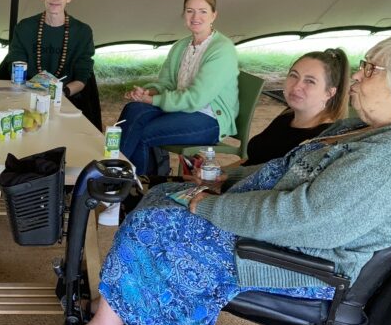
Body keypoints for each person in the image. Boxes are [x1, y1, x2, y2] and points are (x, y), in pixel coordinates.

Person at [37, 32, 391, 325]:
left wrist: (209, 207)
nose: (360, 77)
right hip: (298, 242)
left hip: (308, 265)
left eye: (371, 69)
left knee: (160, 226)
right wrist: (224, 180)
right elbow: (291, 171)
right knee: (163, 194)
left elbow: (306, 219)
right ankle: (118, 305)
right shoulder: (377, 130)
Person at [99, 47, 352, 225]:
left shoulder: (320, 141)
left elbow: (277, 198)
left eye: (310, 82)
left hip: (241, 211)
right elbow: (251, 160)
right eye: (293, 76)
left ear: (330, 92)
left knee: (151, 213)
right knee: (154, 193)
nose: (297, 86)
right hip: (229, 191)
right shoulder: (287, 117)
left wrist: (217, 190)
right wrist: (218, 174)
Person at [117, 0, 238, 177]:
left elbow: (196, 98)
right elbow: (166, 83)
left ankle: (128, 186)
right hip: (180, 109)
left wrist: (154, 101)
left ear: (214, 15)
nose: (195, 16)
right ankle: (119, 176)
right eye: (190, 11)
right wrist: (147, 94)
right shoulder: (181, 46)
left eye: (203, 11)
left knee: (141, 132)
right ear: (184, 14)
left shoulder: (222, 50)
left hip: (209, 118)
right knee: (134, 110)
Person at [6, 0, 95, 106]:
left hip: (67, 99)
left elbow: (82, 77)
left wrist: (61, 93)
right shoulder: (24, 28)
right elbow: (16, 65)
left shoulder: (82, 32)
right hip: (27, 97)